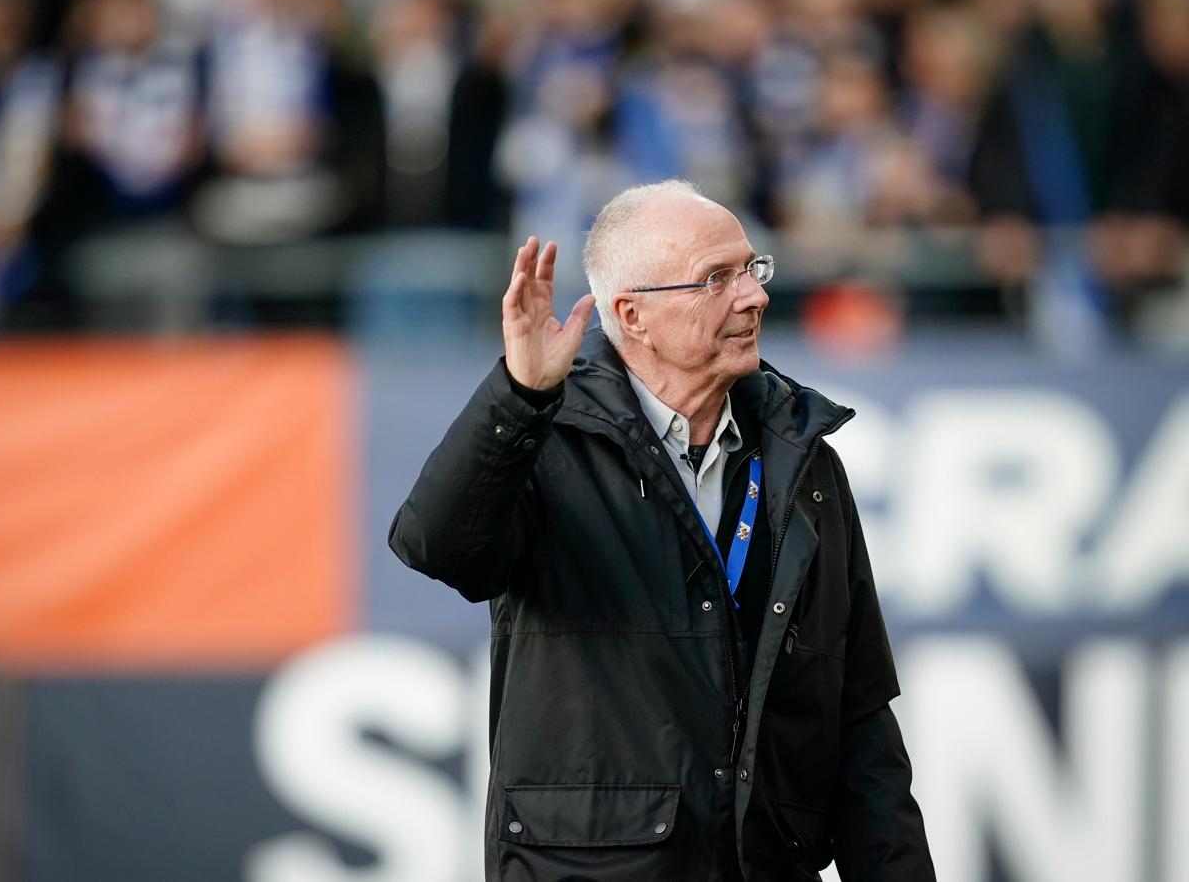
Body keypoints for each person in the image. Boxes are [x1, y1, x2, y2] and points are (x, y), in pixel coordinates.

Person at [389, 180, 934, 881]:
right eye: (716, 279)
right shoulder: (541, 441)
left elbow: (860, 719)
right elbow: (435, 546)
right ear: (632, 315)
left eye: (751, 268)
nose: (754, 296)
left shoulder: (808, 465)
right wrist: (520, 398)